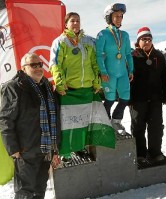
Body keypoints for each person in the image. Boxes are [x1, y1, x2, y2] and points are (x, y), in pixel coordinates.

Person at [0, 53, 61, 199]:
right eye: (33, 65)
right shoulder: (14, 87)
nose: (38, 68)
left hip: (46, 151)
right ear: (23, 68)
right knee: (24, 192)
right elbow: (5, 119)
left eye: (40, 65)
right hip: (26, 151)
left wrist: (55, 148)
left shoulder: (46, 86)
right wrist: (13, 149)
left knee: (40, 190)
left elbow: (54, 119)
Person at [49, 12, 102, 156]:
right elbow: (55, 64)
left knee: (83, 123)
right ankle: (65, 153)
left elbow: (94, 64)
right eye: (72, 21)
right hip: (69, 91)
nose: (76, 23)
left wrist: (97, 83)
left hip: (86, 90)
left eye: (78, 20)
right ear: (66, 24)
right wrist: (59, 83)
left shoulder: (88, 41)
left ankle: (80, 148)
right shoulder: (60, 42)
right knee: (68, 125)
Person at [130, 27, 166, 162]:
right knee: (138, 127)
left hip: (155, 99)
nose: (147, 42)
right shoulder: (132, 56)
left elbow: (165, 77)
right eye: (143, 39)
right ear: (138, 41)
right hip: (137, 99)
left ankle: (155, 152)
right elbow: (127, 78)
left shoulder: (159, 56)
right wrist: (126, 97)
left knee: (156, 127)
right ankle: (140, 154)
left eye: (149, 39)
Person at [96, 3, 134, 135]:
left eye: (121, 16)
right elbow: (99, 55)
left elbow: (128, 54)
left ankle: (116, 121)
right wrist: (103, 72)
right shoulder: (103, 34)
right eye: (116, 16)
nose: (119, 18)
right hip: (109, 73)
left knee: (125, 98)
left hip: (123, 73)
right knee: (110, 99)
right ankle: (105, 123)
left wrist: (131, 70)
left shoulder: (126, 35)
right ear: (109, 17)